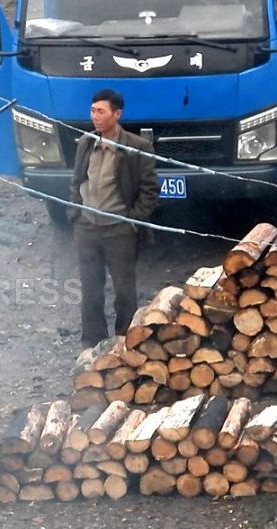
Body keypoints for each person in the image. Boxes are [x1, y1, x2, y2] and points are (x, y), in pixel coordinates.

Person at [68, 89, 159, 348]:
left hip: (119, 230)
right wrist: (75, 213)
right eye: (92, 111)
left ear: (117, 114)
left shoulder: (137, 148)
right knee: (90, 290)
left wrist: (133, 221)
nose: (94, 116)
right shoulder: (86, 143)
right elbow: (76, 180)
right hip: (87, 228)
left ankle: (125, 341)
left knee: (124, 291)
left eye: (101, 111)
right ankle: (92, 342)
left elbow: (150, 189)